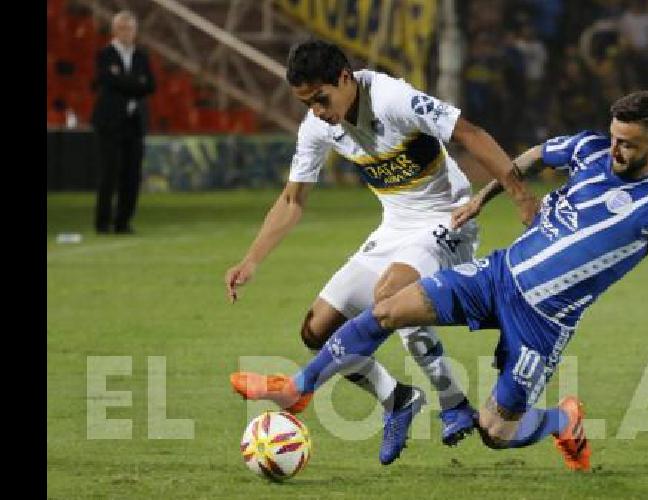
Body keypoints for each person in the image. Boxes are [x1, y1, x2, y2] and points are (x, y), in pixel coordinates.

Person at [231, 90, 648, 471]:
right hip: (497, 275)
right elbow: (531, 158)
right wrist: (484, 198)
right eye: (613, 137)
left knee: (495, 432)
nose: (613, 149)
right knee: (390, 307)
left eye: (627, 144)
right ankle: (299, 390)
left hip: (543, 324)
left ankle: (562, 421)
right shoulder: (587, 149)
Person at [224, 39, 538, 465]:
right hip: (394, 227)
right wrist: (251, 259)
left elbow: (470, 133)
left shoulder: (392, 98)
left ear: (344, 78)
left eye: (321, 98)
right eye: (307, 103)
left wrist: (519, 194)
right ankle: (398, 400)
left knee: (391, 292)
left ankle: (452, 401)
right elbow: (292, 200)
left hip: (447, 220)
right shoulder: (318, 125)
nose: (317, 110)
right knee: (317, 330)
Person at [90, 10, 155, 234]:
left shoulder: (141, 56)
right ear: (114, 30)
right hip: (109, 122)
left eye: (130, 28)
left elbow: (150, 86)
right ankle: (102, 222)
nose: (127, 33)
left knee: (132, 174)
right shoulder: (105, 54)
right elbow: (107, 81)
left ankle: (123, 221)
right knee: (109, 172)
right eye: (122, 28)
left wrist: (123, 82)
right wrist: (135, 83)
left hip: (134, 122)